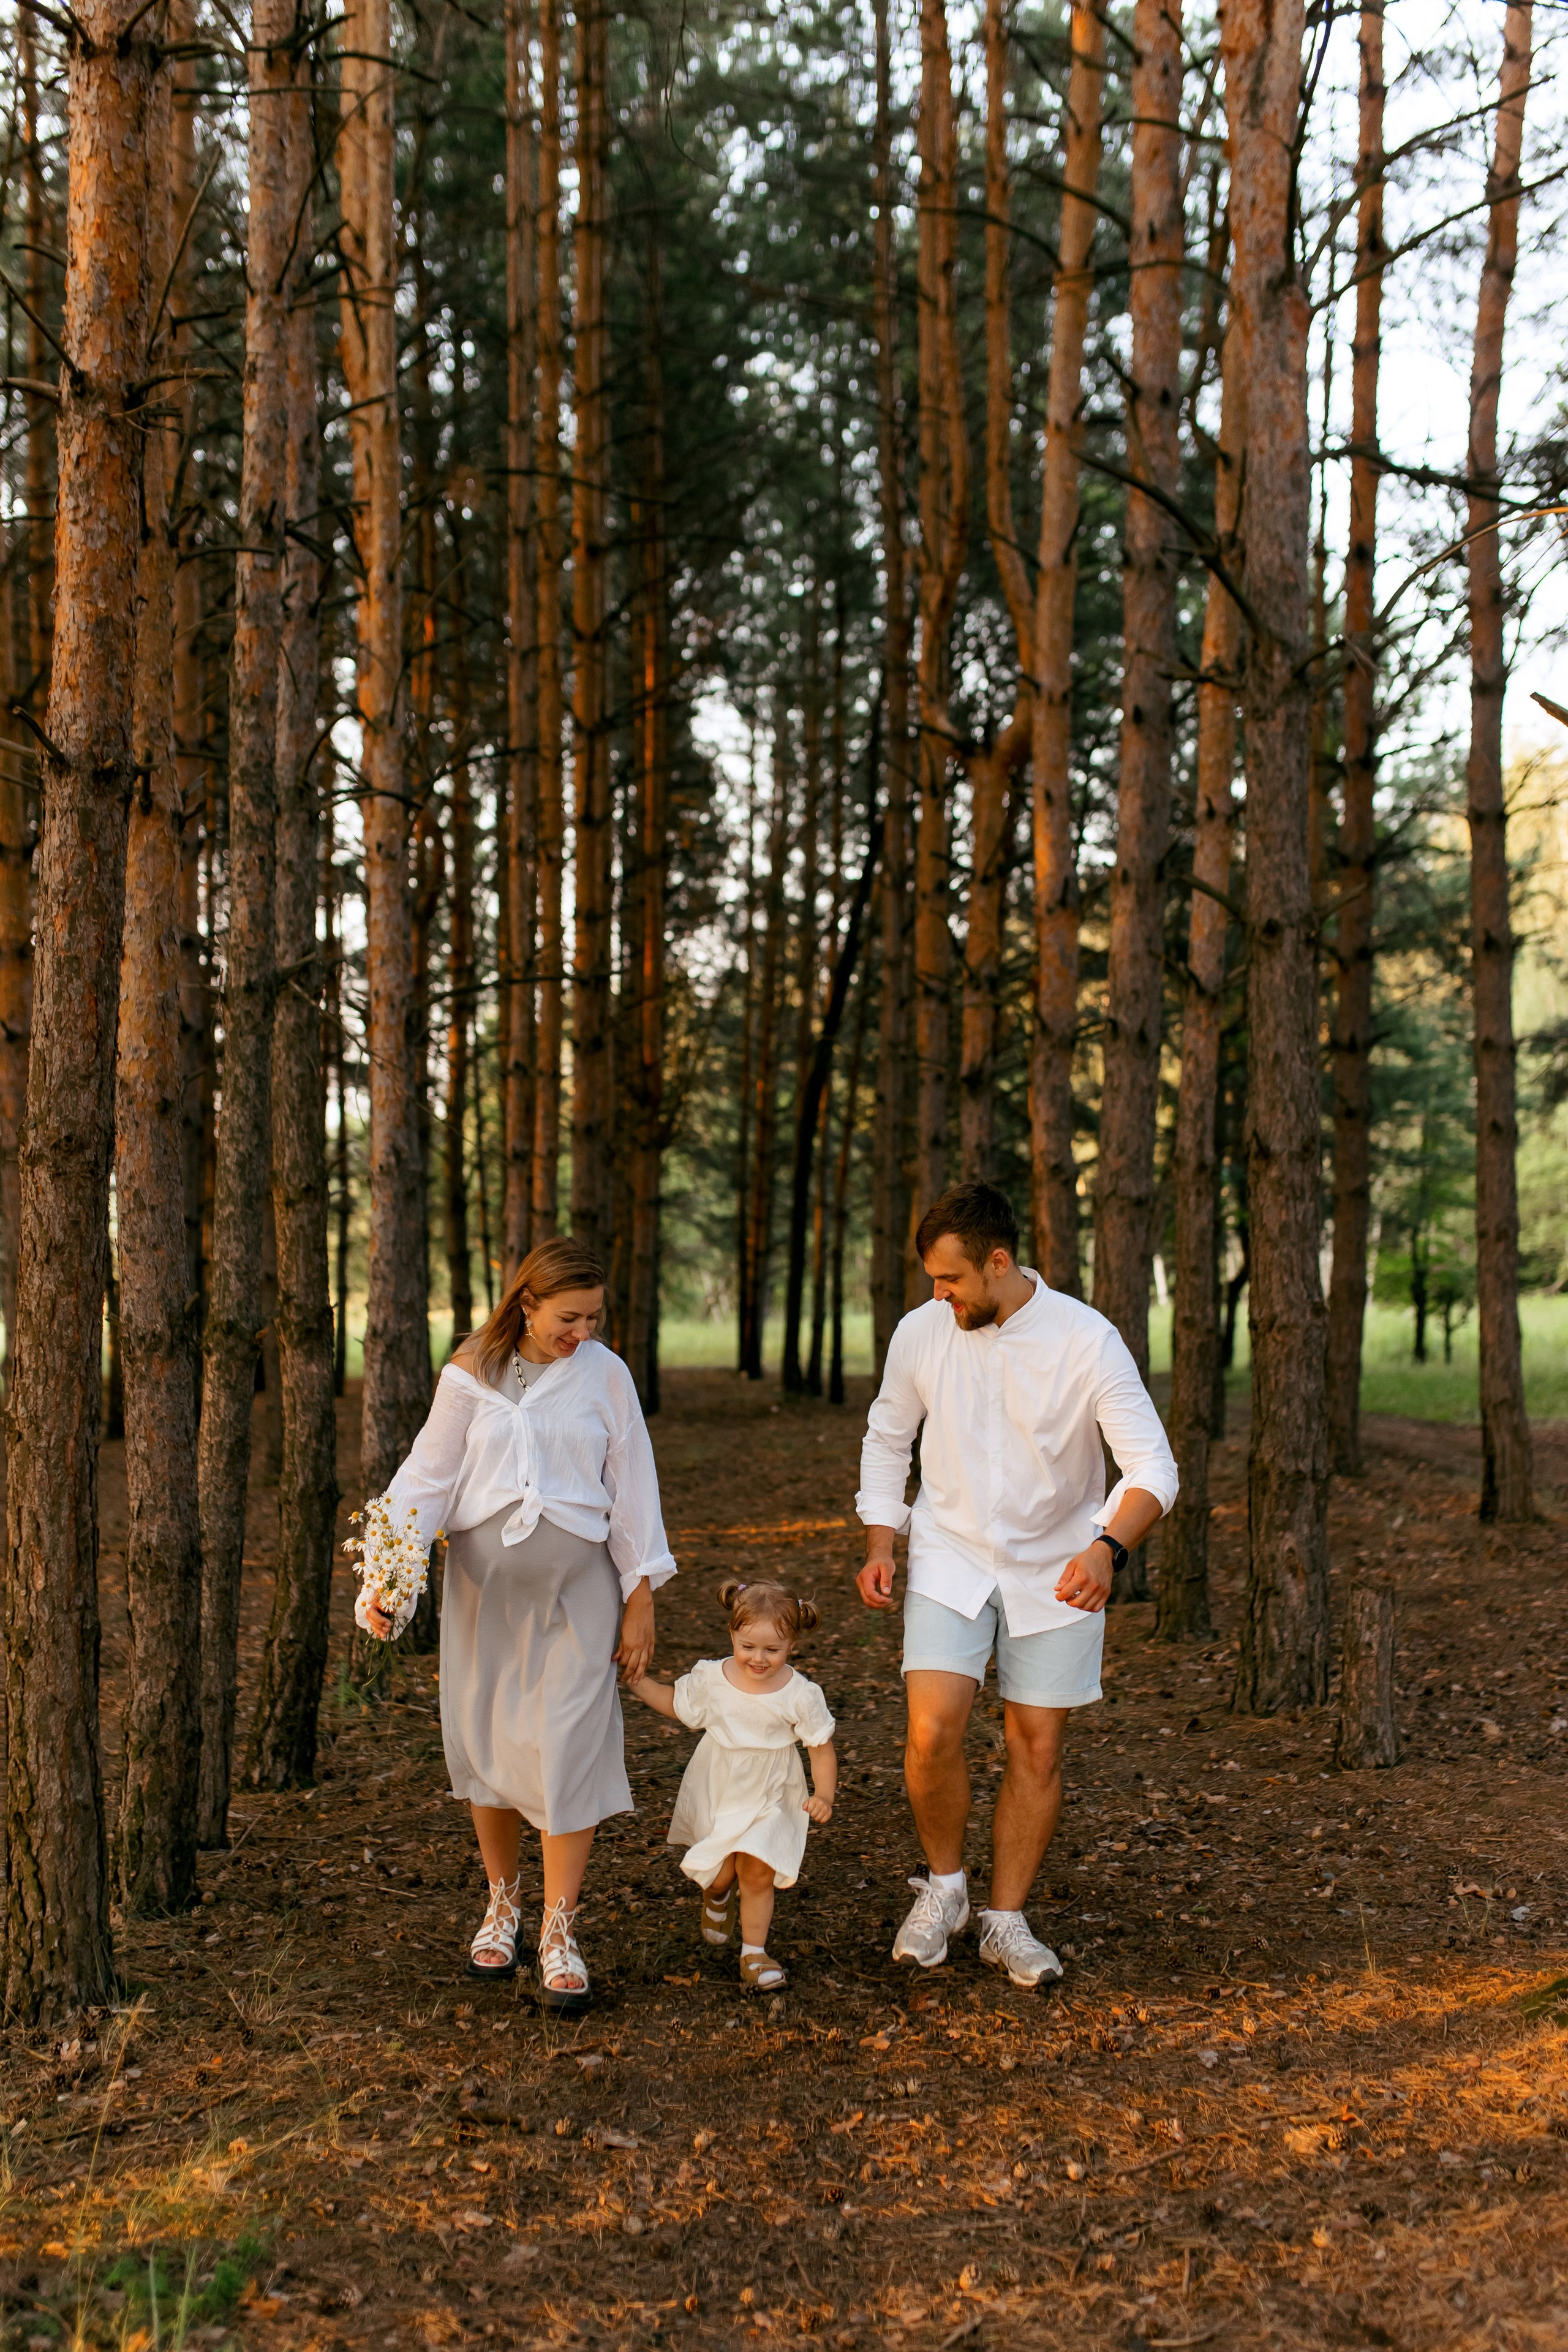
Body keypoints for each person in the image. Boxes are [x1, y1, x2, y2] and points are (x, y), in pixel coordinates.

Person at [856, 1180, 1177, 1989]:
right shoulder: (922, 1333)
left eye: (952, 1279)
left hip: (1059, 1567)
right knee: (932, 1731)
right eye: (932, 1280)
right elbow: (889, 1434)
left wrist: (1109, 1549)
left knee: (1036, 1743)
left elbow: (1153, 1466)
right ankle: (946, 1890)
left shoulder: (1086, 1339)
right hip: (949, 1552)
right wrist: (880, 1538)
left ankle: (1005, 1919)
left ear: (999, 1263)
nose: (939, 1295)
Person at [358, 1236, 676, 2012]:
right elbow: (427, 1476)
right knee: (490, 1744)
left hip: (580, 1593)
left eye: (594, 1317)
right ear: (526, 1303)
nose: (584, 1333)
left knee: (569, 1744)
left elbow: (631, 1480)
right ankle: (503, 1905)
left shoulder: (605, 1374)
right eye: (570, 1318)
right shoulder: (471, 1370)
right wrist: (389, 1580)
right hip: (484, 1598)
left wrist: (642, 1592)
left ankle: (559, 1931)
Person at [630, 1578, 837, 1993]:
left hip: (775, 1789)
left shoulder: (800, 1694)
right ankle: (717, 1896)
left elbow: (821, 1747)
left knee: (757, 1872)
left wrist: (824, 1794)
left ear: (792, 1645)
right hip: (720, 1784)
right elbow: (677, 1704)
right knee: (723, 1873)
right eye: (748, 1647)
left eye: (772, 1650)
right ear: (733, 1635)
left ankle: (754, 1954)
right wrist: (638, 1683)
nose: (758, 1659)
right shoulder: (713, 1679)